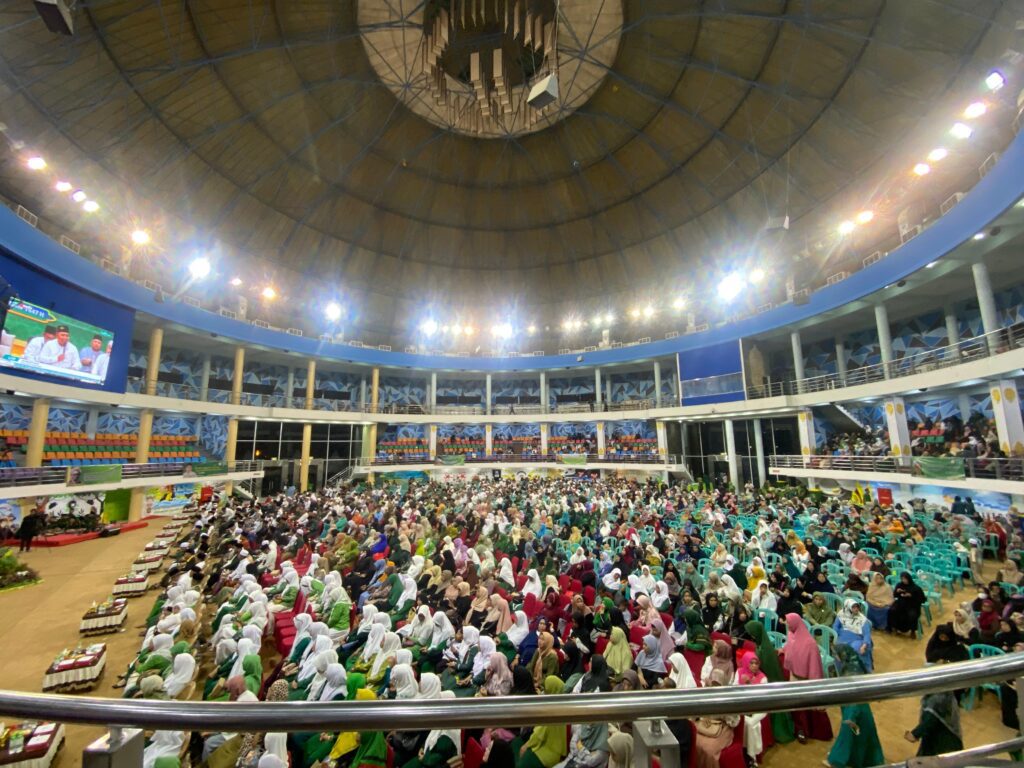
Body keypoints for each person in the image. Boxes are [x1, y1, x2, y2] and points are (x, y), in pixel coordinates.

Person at [825, 646, 884, 768]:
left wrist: (834, 760)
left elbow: (851, 703)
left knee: (847, 736)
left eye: (836, 655)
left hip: (854, 712)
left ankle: (837, 760)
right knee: (863, 738)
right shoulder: (856, 667)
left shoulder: (848, 674)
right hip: (863, 711)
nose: (835, 657)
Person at [905, 692, 963, 757]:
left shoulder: (938, 698)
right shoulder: (945, 694)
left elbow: (930, 720)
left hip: (943, 743)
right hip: (944, 738)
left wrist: (915, 734)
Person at [833, 601, 873, 672]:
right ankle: (841, 671)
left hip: (856, 639)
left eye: (857, 607)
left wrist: (864, 645)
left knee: (855, 648)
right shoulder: (841, 614)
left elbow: (867, 634)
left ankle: (860, 671)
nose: (856, 609)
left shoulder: (862, 619)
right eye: (853, 607)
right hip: (842, 638)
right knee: (838, 650)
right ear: (848, 608)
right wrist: (835, 636)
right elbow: (835, 627)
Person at [888, 572, 925, 639]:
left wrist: (911, 596)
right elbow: (895, 595)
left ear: (909, 579)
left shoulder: (916, 588)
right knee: (892, 610)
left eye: (905, 579)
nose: (904, 581)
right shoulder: (899, 585)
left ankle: (913, 631)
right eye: (902, 579)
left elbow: (922, 599)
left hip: (912, 605)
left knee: (912, 615)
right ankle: (895, 628)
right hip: (901, 603)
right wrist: (897, 591)